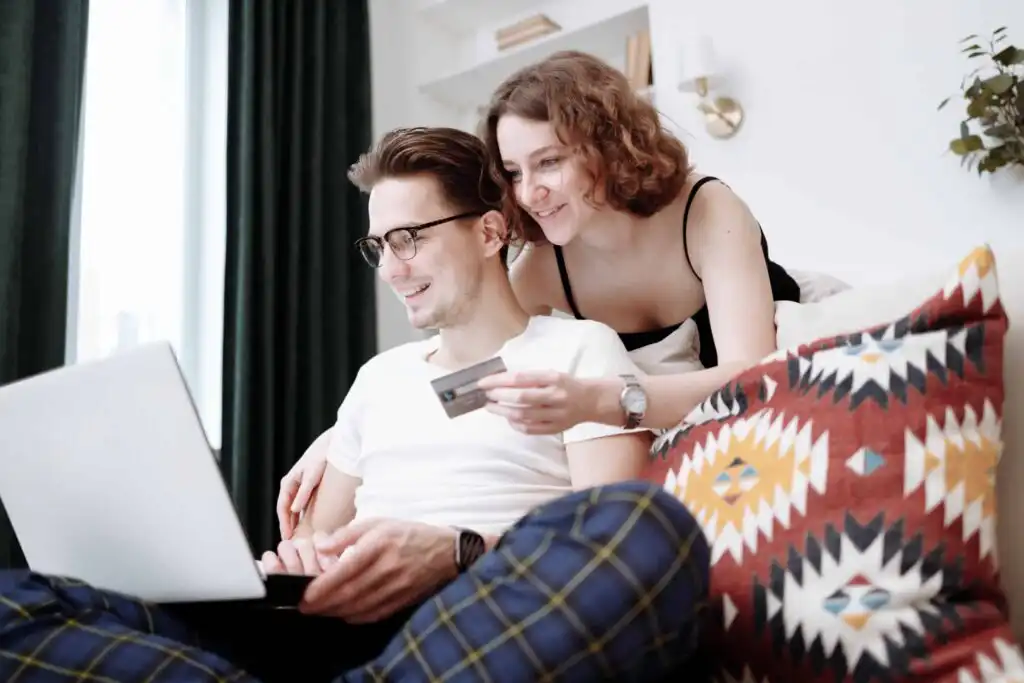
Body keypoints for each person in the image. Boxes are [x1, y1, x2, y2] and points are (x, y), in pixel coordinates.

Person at [0, 126, 710, 683]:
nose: (393, 268)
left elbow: (592, 530)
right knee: (13, 598)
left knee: (644, 527)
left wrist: (457, 553)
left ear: (490, 232)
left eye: (409, 239)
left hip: (471, 616)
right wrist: (297, 559)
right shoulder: (380, 377)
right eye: (379, 246)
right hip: (318, 638)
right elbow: (309, 542)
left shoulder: (580, 353)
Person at [278, 49, 802, 529]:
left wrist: (601, 400)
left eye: (549, 161)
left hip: (734, 370)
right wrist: (346, 436)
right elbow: (483, 369)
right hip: (633, 399)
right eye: (513, 172)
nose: (530, 193)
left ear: (608, 145)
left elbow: (750, 381)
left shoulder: (707, 212)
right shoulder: (548, 260)